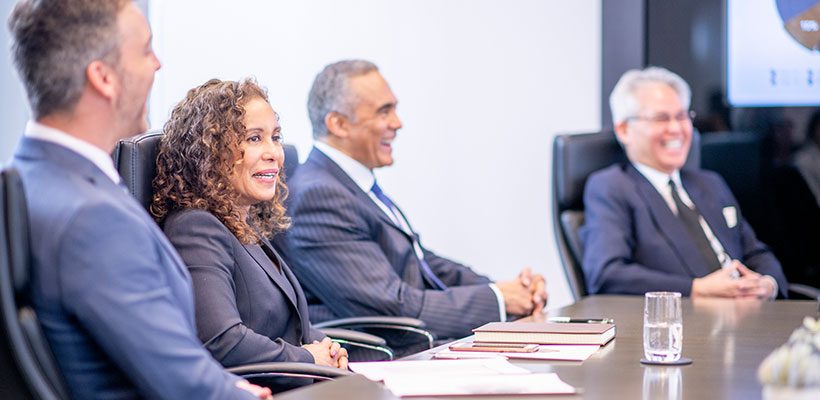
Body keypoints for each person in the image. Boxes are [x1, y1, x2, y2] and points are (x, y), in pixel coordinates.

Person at [8, 1, 270, 398]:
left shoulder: (30, 178)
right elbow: (184, 385)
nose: (158, 64)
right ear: (104, 78)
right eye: (146, 50)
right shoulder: (94, 219)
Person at [280, 59, 547, 345]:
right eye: (385, 111)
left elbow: (421, 263)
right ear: (339, 124)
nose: (398, 123)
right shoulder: (318, 196)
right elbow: (391, 306)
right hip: (378, 366)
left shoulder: (348, 184)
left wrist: (510, 290)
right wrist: (499, 300)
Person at [152, 78, 348, 372]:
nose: (274, 153)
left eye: (276, 137)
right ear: (209, 151)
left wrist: (330, 349)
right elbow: (222, 342)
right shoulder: (194, 227)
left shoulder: (242, 223)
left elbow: (288, 326)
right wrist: (308, 360)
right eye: (254, 138)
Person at [580, 66, 788, 299]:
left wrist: (768, 284)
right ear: (624, 130)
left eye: (681, 116)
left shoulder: (710, 183)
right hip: (685, 325)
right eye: (661, 118)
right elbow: (607, 275)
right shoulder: (613, 187)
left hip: (751, 316)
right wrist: (696, 289)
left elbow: (756, 253)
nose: (676, 129)